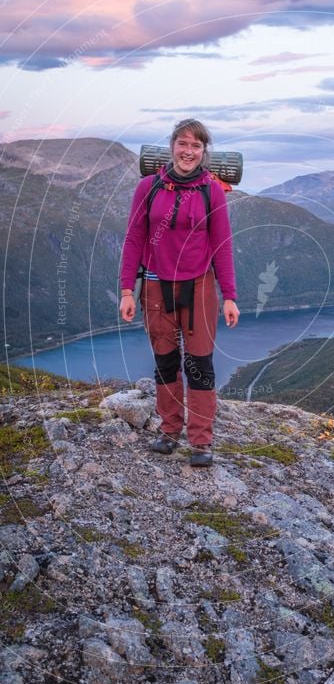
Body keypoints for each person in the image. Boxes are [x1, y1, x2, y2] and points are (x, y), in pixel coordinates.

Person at [119, 119, 239, 467]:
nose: (188, 151)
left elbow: (222, 245)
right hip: (156, 285)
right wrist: (128, 290)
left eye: (196, 146)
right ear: (172, 146)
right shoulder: (149, 188)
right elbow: (134, 239)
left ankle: (201, 441)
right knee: (165, 362)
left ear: (204, 152)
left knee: (199, 364)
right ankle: (169, 431)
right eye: (183, 143)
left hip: (199, 285)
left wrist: (229, 296)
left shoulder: (211, 190)